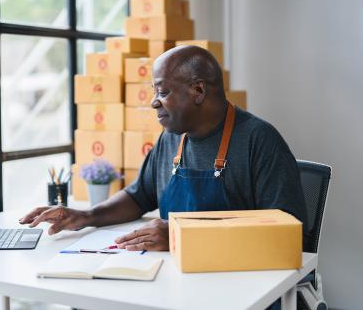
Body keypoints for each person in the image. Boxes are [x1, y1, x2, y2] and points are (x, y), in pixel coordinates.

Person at [19, 45, 308, 251]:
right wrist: (86, 216)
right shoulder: (172, 138)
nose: (154, 102)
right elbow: (138, 196)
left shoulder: (259, 140)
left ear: (198, 90)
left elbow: (285, 233)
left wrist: (181, 236)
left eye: (163, 92)